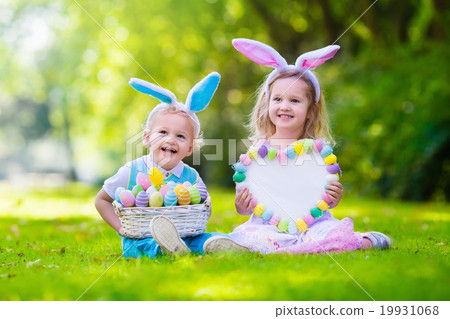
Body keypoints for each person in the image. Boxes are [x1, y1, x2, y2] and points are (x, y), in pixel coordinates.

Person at [229, 38, 391, 254]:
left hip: (313, 226)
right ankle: (299, 248)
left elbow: (319, 201)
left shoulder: (317, 154)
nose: (284, 106)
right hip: (268, 227)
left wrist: (333, 197)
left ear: (310, 112)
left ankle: (362, 241)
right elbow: (244, 208)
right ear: (267, 104)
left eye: (295, 101)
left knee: (330, 233)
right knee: (246, 239)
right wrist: (242, 204)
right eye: (277, 99)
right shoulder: (257, 155)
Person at [95, 72, 247, 258]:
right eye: (163, 132)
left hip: (184, 235)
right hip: (142, 237)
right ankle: (164, 249)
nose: (171, 140)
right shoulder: (132, 170)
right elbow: (101, 200)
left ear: (190, 148)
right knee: (144, 245)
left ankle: (212, 243)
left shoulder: (191, 176)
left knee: (199, 239)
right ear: (147, 138)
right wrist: (121, 227)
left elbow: (204, 206)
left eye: (180, 136)